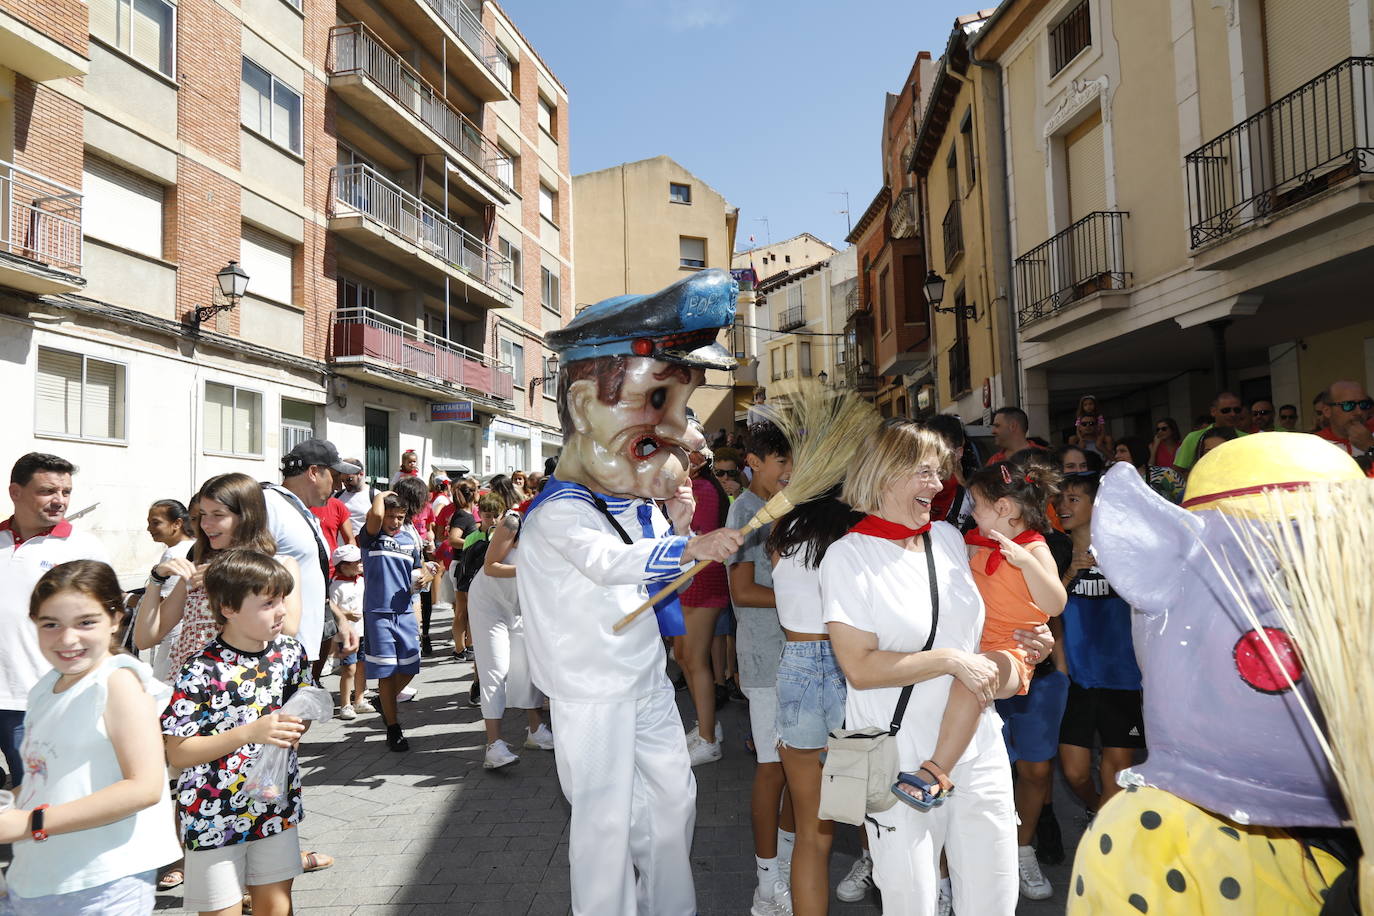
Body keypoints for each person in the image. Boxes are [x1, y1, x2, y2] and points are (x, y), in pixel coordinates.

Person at [517, 268, 744, 915]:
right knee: (605, 824)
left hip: (641, 679)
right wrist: (688, 544)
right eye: (656, 418)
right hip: (591, 691)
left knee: (673, 803)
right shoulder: (558, 512)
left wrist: (676, 527)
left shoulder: (622, 501)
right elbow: (611, 564)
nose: (680, 437)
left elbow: (651, 569)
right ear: (586, 409)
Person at [822, 420, 1052, 914]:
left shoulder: (950, 538)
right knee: (912, 901)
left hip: (978, 744)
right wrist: (951, 660)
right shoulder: (847, 556)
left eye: (940, 472)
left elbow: (996, 623)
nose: (938, 484)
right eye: (924, 472)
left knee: (993, 896)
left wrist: (1037, 640)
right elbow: (859, 667)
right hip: (895, 753)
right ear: (885, 474)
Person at [0, 560, 180, 915]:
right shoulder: (44, 688)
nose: (67, 639)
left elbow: (143, 787)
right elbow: (46, 777)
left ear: (115, 619)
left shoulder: (118, 682)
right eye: (51, 624)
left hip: (104, 883)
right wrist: (9, 801)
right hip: (38, 878)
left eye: (86, 622)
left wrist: (31, 822)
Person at [162, 549, 313, 916]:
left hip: (275, 805)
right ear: (228, 608)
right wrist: (251, 733)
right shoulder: (200, 670)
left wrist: (298, 725)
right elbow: (178, 753)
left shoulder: (290, 653)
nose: (281, 610)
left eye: (281, 599)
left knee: (277, 907)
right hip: (213, 816)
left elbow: (303, 706)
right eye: (267, 603)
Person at [767, 486, 864, 916]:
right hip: (853, 668)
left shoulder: (781, 533)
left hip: (797, 665)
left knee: (812, 830)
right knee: (874, 812)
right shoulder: (858, 537)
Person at [0, 452, 110, 787]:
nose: (59, 501)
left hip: (37, 697)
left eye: (65, 492)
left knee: (39, 791)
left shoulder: (83, 548)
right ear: (15, 492)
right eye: (48, 491)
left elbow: (104, 624)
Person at [724, 421, 796, 914]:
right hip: (766, 658)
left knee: (798, 770)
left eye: (792, 463)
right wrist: (801, 605)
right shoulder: (745, 510)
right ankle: (766, 879)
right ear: (754, 462)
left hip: (799, 658)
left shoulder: (786, 506)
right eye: (781, 463)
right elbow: (742, 592)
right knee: (773, 769)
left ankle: (789, 871)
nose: (789, 472)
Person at [134, 473, 303, 681]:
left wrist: (230, 576)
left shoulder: (281, 565)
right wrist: (156, 579)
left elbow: (287, 631)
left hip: (244, 691)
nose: (206, 524)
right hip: (193, 696)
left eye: (218, 515)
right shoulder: (198, 568)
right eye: (203, 514)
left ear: (246, 516)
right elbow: (146, 638)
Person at [1054, 473, 1144, 819]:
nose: (1063, 506)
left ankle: (1104, 841)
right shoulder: (1056, 550)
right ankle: (1098, 810)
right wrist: (1069, 574)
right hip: (1075, 677)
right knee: (1075, 773)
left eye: (1074, 499)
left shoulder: (1124, 549)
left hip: (1122, 676)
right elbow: (1047, 609)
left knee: (1118, 769)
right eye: (1061, 499)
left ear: (1097, 505)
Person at [468, 491, 552, 769]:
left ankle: (535, 731)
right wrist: (529, 568)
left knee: (526, 668)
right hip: (488, 604)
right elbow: (490, 567)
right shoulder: (513, 523)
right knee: (497, 669)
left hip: (519, 606)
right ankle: (493, 746)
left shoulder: (559, 533)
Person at [266, 439, 363, 666]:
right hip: (275, 654)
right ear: (313, 472)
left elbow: (310, 580)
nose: (338, 487)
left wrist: (339, 619)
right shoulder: (270, 505)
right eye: (335, 478)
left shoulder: (303, 511)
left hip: (300, 651)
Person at [676, 421, 733, 767]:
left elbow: (697, 541)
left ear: (696, 458)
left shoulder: (703, 490)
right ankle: (707, 727)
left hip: (703, 581)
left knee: (695, 660)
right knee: (685, 656)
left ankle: (709, 738)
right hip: (694, 581)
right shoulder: (697, 486)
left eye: (680, 453)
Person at [360, 491, 432, 751]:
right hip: (378, 613)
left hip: (405, 611)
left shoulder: (408, 541)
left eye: (399, 517)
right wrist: (382, 494)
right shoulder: (371, 537)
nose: (394, 522)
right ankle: (393, 728)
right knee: (387, 672)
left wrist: (425, 576)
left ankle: (384, 700)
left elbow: (420, 568)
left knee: (411, 665)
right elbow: (376, 514)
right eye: (390, 516)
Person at [142, 498, 195, 682]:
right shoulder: (194, 548)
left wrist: (129, 600)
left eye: (156, 523)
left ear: (177, 524)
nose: (149, 529)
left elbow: (164, 601)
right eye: (149, 523)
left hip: (172, 636)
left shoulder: (173, 554)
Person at [329, 544, 368, 720]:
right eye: (356, 561)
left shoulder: (360, 580)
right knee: (349, 669)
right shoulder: (335, 586)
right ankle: (345, 704)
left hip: (362, 631)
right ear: (343, 566)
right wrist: (346, 615)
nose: (360, 563)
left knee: (362, 665)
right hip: (344, 635)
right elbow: (330, 610)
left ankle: (359, 699)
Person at [1173, 392, 1248, 469]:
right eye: (1226, 410)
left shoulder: (1247, 439)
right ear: (1213, 411)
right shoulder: (1193, 437)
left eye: (1237, 410)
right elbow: (1179, 471)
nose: (1233, 414)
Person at [1316, 380, 1374, 457]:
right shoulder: (1314, 445)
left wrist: (1370, 446)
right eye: (1348, 405)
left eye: (1363, 404)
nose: (1359, 412)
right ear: (1327, 411)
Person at [333, 462, 375, 535]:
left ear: (361, 474)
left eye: (349, 479)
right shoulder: (336, 496)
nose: (345, 483)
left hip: (363, 544)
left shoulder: (375, 495)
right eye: (343, 481)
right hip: (341, 545)